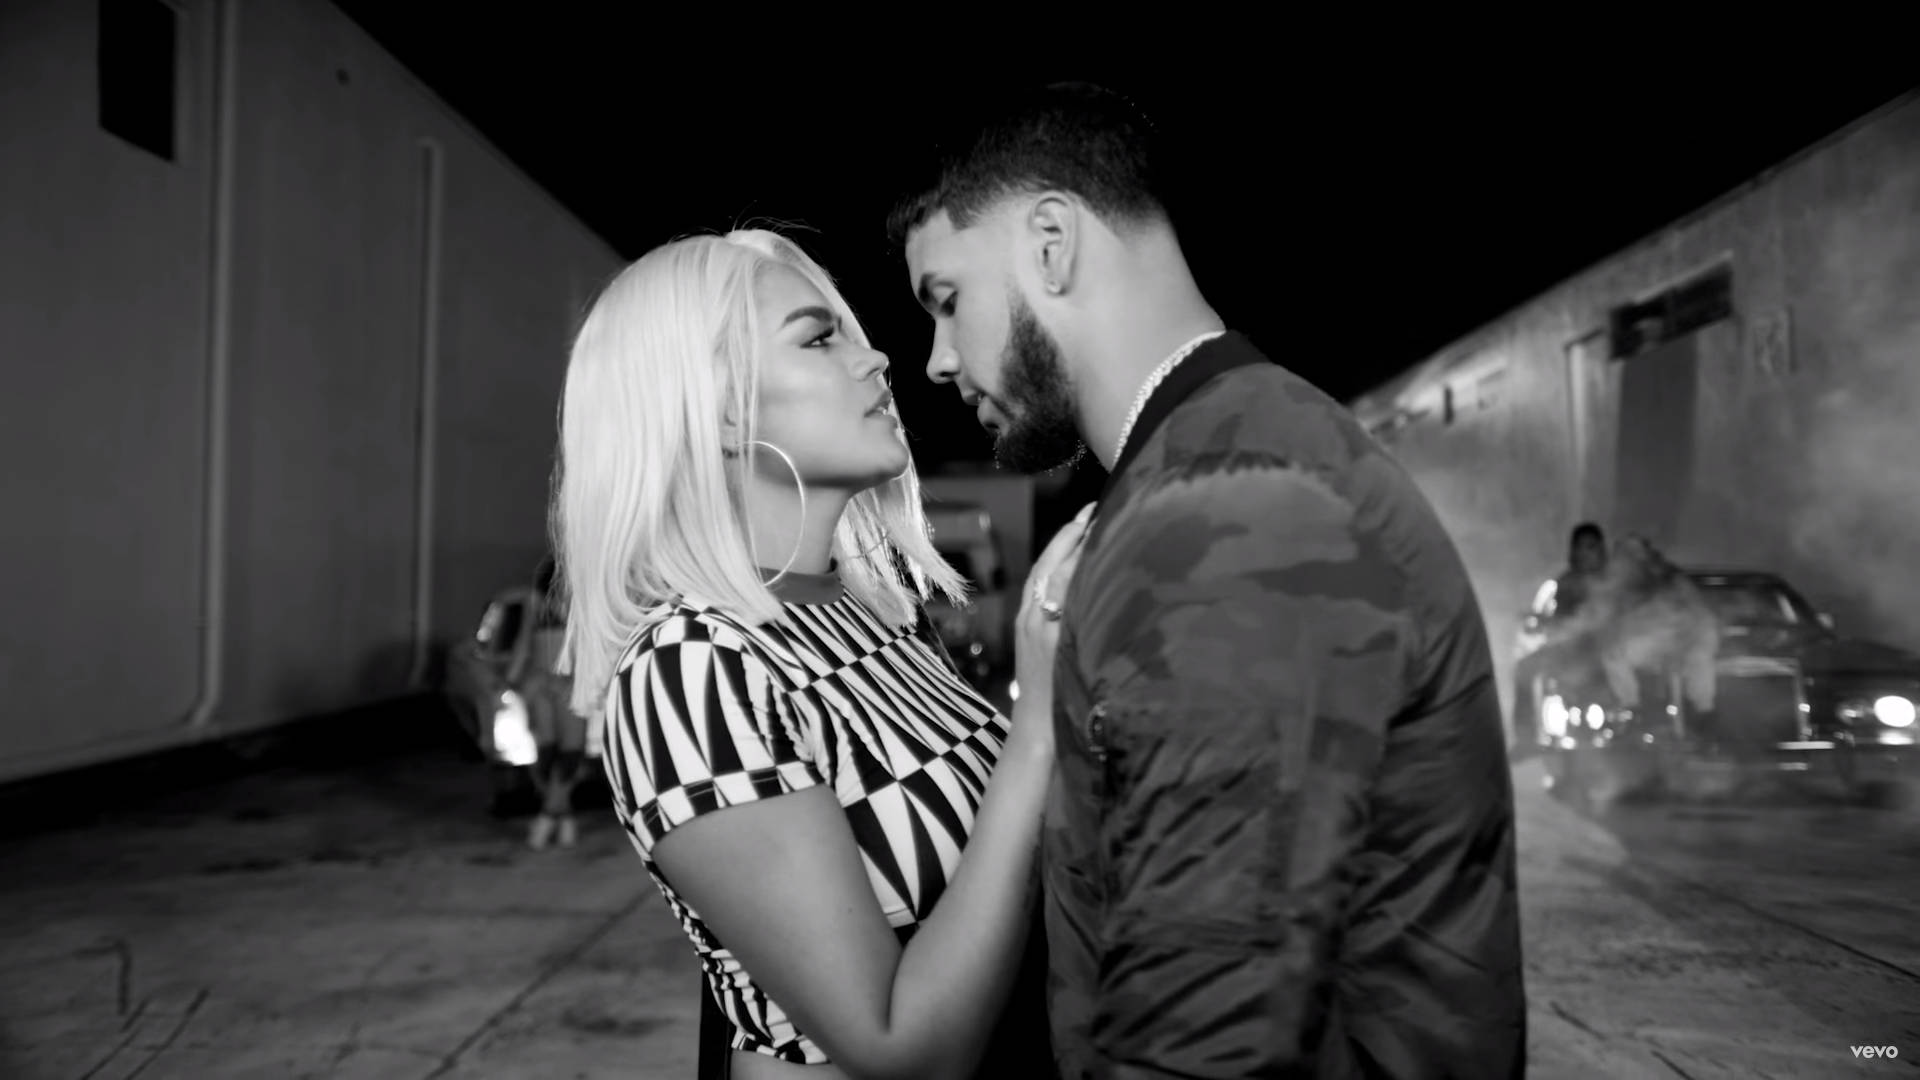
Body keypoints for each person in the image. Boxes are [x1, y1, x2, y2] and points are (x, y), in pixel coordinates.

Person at [889, 82, 1527, 1077]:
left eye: (947, 300)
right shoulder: (1218, 462)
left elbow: (1205, 1044)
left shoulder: (1227, 513)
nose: (935, 359)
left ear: (1050, 243)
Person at [551, 227, 1088, 1079]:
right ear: (723, 410)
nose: (877, 359)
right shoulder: (691, 665)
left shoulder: (873, 613)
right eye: (818, 338)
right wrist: (1036, 729)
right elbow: (902, 1052)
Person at [507, 555, 592, 849]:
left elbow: (594, 647)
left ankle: (547, 816)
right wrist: (512, 680)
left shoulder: (584, 605)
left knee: (570, 754)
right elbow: (523, 644)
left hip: (572, 686)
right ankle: (563, 816)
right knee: (546, 754)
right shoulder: (535, 604)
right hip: (542, 684)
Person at [1511, 522, 1610, 754]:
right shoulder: (1564, 583)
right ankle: (1526, 738)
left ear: (1601, 550)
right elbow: (1554, 619)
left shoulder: (1612, 581)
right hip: (1567, 651)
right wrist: (1539, 622)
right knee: (1525, 669)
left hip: (1605, 651)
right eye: (1579, 547)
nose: (1584, 553)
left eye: (1590, 547)